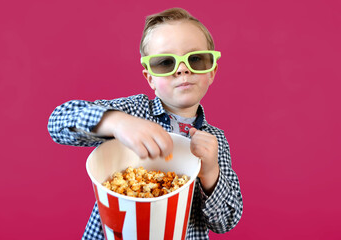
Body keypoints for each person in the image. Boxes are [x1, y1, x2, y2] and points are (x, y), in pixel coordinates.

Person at [48, 7, 243, 240]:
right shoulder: (133, 112)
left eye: (196, 59)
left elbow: (226, 221)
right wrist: (117, 122)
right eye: (164, 62)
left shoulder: (215, 140)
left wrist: (210, 172)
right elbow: (58, 121)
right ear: (149, 77)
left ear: (211, 72)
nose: (182, 69)